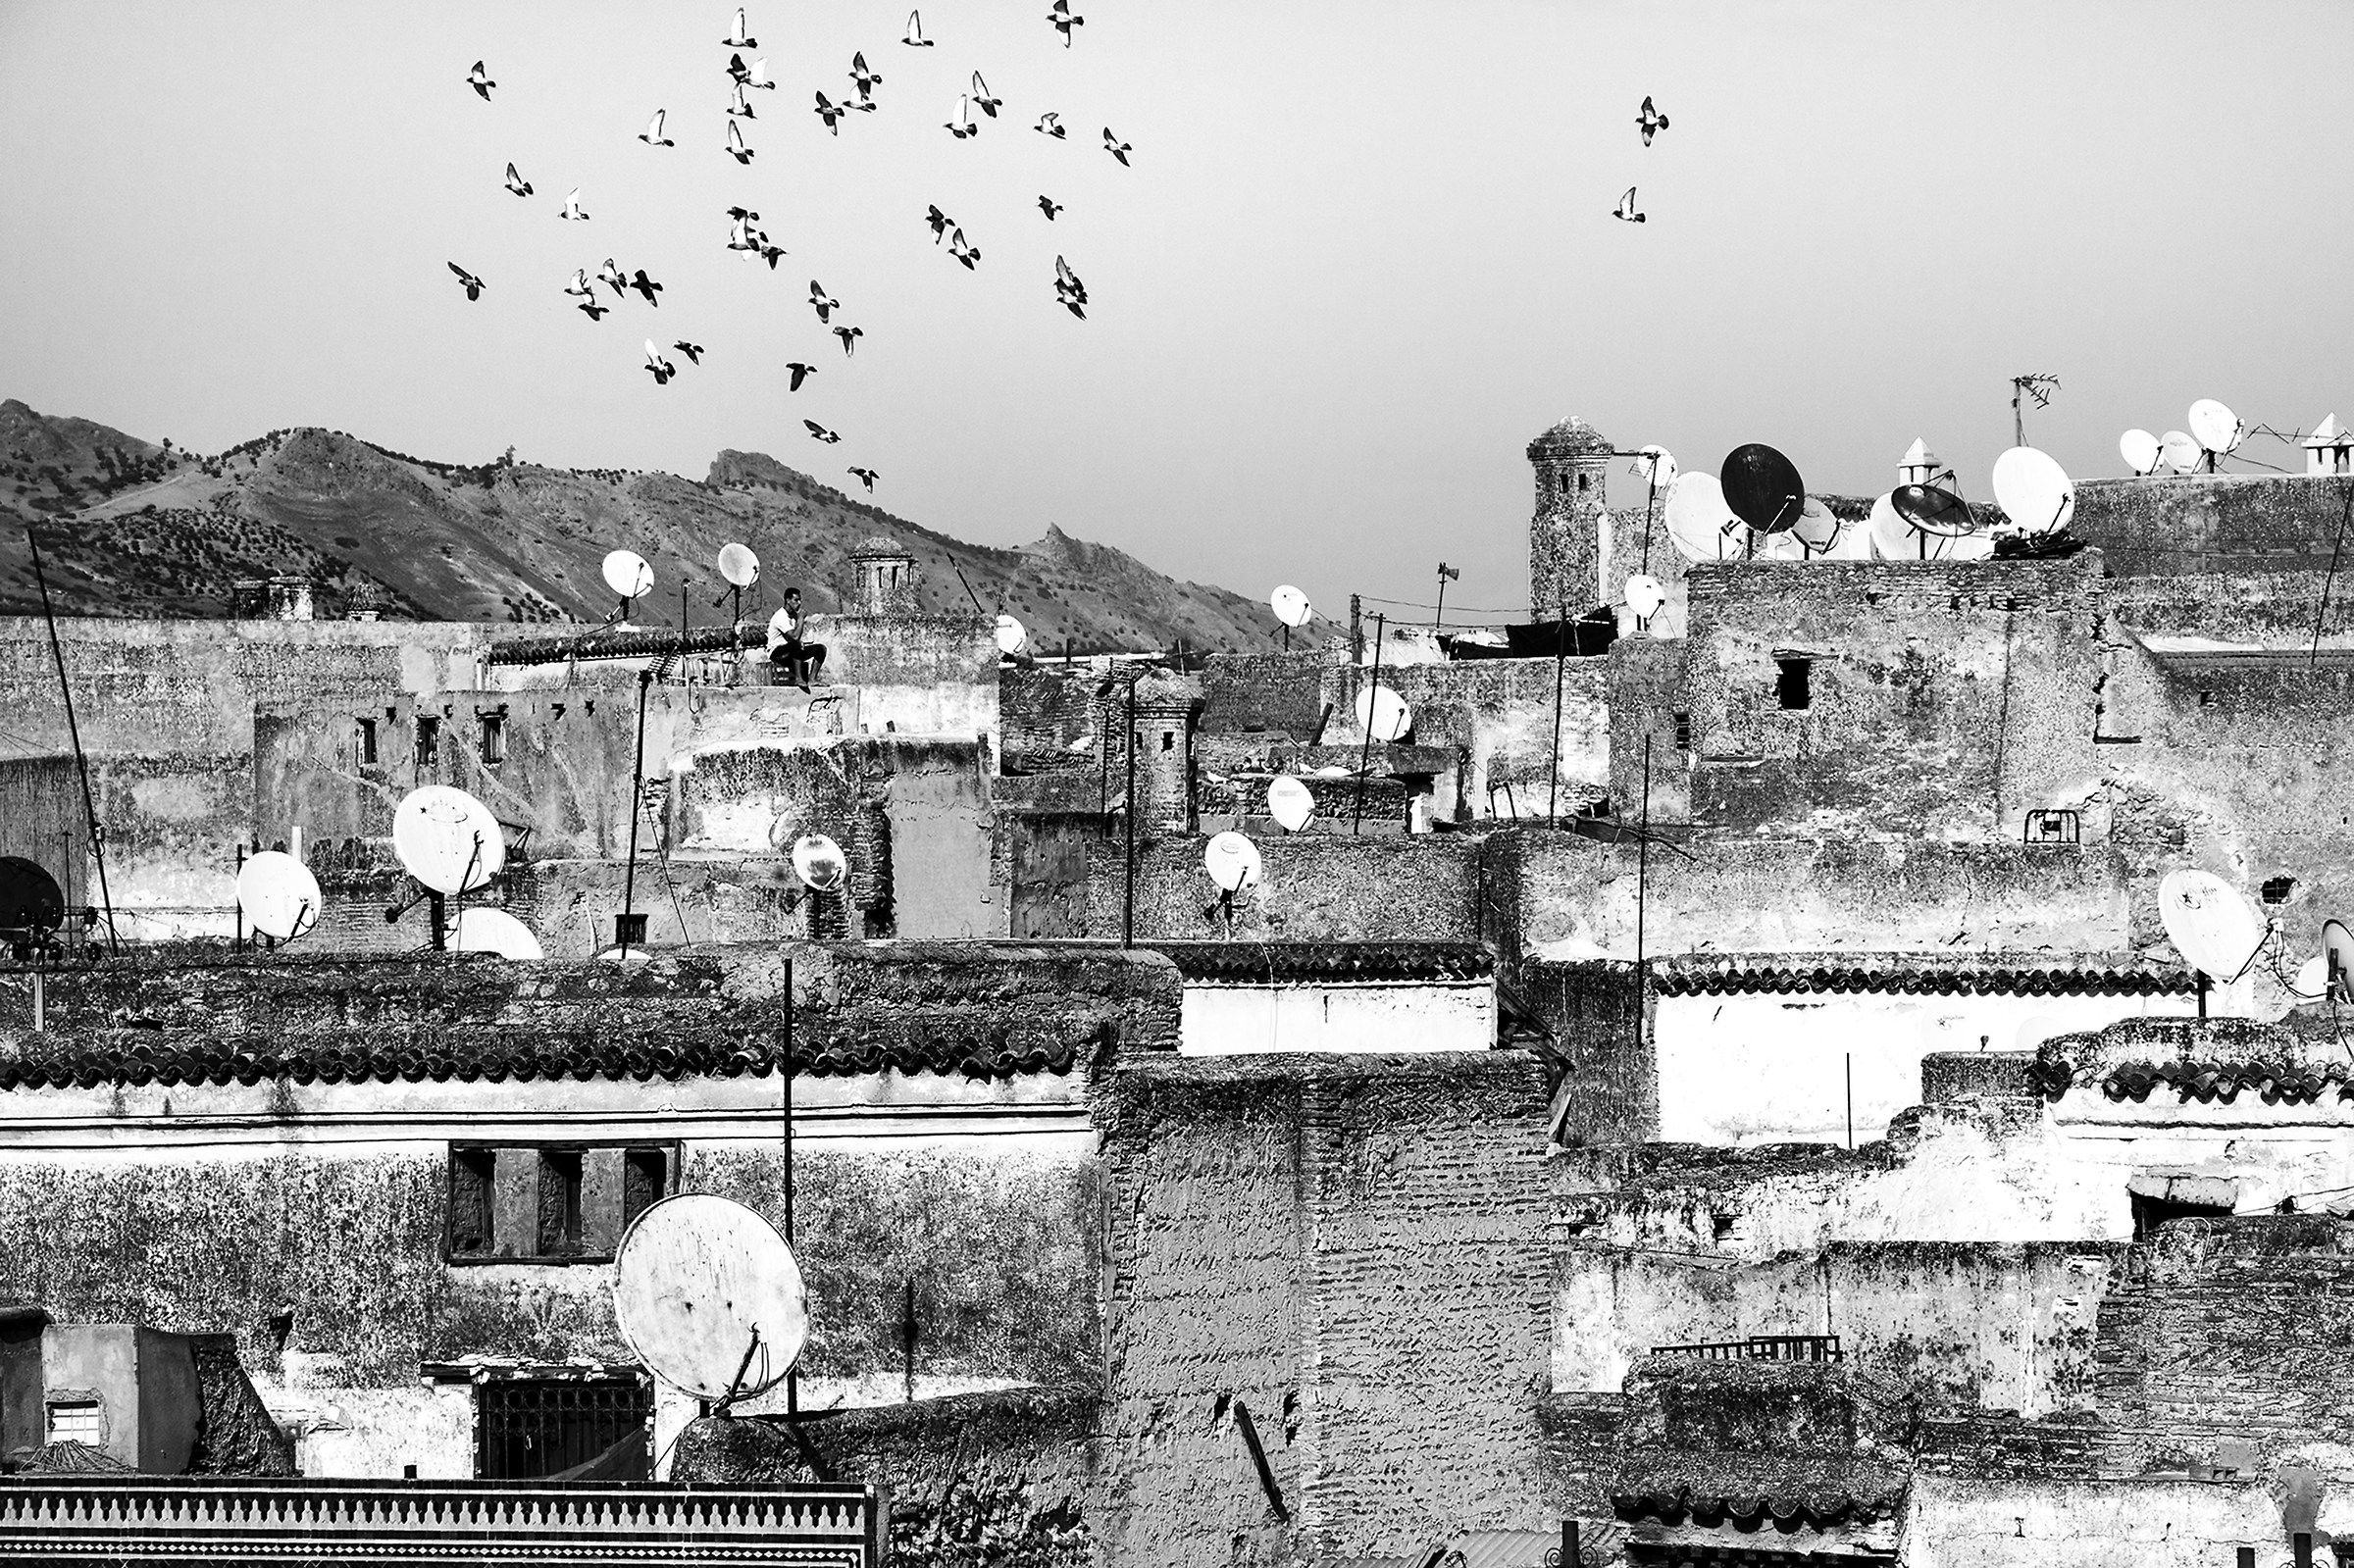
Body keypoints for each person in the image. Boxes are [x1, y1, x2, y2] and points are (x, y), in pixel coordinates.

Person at [765, 589, 827, 690]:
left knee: (820, 649)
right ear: (788, 600)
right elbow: (795, 637)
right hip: (777, 652)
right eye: (796, 600)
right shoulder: (781, 616)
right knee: (796, 644)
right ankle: (799, 679)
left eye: (800, 600)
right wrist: (801, 619)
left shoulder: (793, 616)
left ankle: (812, 679)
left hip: (791, 649)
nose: (799, 603)